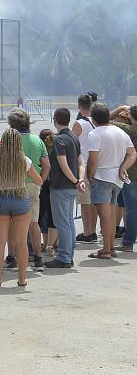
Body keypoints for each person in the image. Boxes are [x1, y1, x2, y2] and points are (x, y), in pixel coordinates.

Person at [0, 129, 43, 286]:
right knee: (21, 242)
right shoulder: (23, 160)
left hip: (1, 198)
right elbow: (38, 181)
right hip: (20, 198)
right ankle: (22, 279)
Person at [85, 103, 137, 259]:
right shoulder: (121, 132)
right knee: (111, 214)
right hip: (117, 179)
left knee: (105, 216)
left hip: (101, 177)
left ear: (93, 119)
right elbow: (132, 153)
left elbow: (92, 160)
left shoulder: (95, 134)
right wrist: (123, 168)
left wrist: (89, 175)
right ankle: (111, 247)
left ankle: (106, 250)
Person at [7, 109, 49, 270]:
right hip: (33, 184)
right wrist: (40, 182)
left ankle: (11, 257)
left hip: (13, 184)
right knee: (33, 223)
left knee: (12, 222)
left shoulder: (10, 141)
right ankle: (38, 257)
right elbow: (47, 165)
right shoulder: (37, 141)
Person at [46, 108, 82, 268]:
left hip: (61, 186)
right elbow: (81, 162)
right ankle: (69, 253)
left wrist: (75, 180)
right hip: (72, 186)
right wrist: (80, 179)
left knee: (62, 223)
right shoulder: (74, 138)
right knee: (69, 222)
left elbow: (63, 164)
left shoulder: (59, 140)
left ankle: (64, 257)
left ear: (55, 120)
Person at [110, 105, 137, 253]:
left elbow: (105, 119)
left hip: (130, 175)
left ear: (131, 117)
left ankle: (128, 242)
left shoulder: (128, 130)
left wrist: (120, 107)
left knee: (132, 210)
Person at [73, 93, 98, 242]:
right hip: (96, 162)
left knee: (85, 201)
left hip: (84, 163)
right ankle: (93, 230)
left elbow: (72, 141)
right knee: (94, 201)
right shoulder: (96, 121)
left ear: (79, 106)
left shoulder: (79, 123)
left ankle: (88, 232)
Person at [37, 129, 57, 253]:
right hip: (55, 186)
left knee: (42, 216)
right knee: (54, 216)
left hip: (43, 186)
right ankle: (52, 244)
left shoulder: (40, 151)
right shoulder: (56, 150)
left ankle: (45, 244)